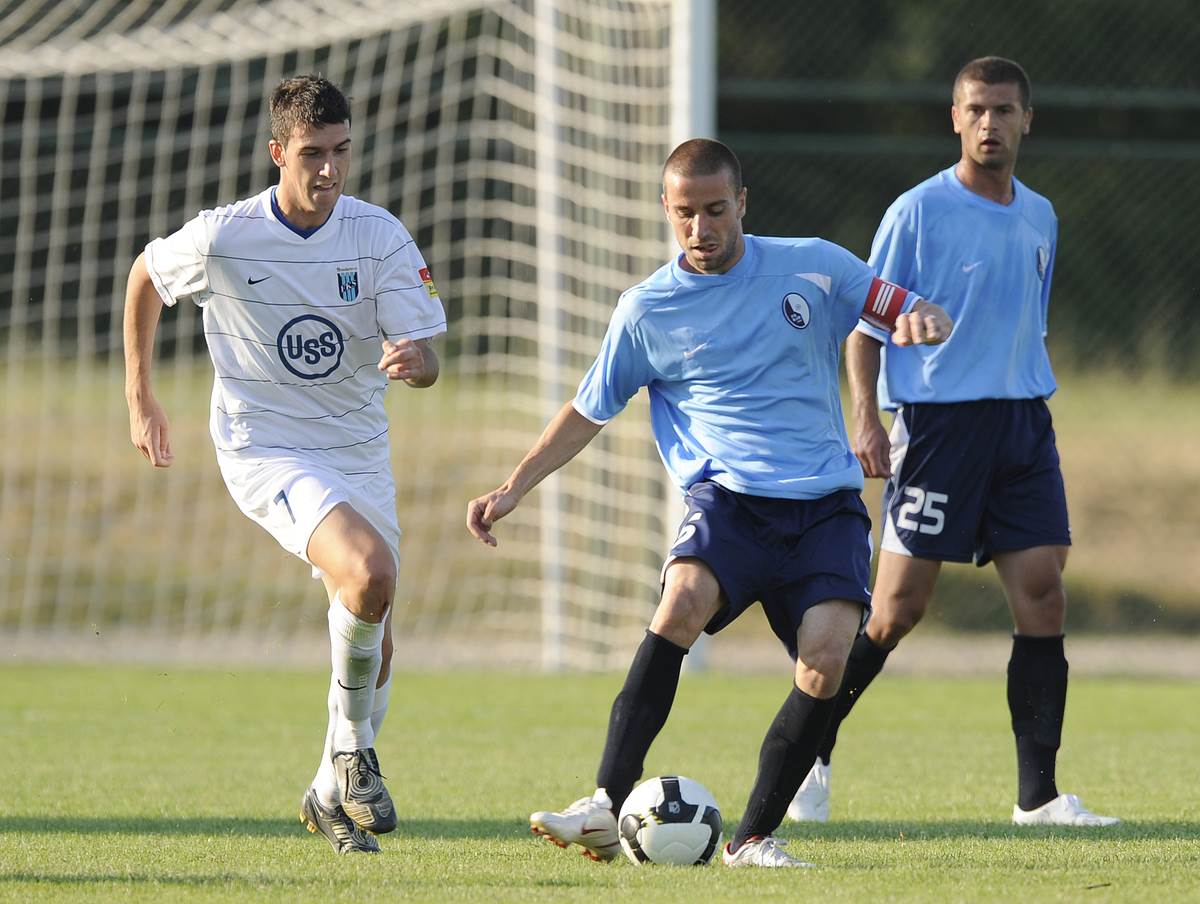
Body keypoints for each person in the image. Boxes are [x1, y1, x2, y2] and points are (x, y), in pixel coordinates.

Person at [466, 139, 952, 867]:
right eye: (686, 213)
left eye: (716, 211)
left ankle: (753, 838)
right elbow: (587, 411)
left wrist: (925, 319)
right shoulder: (647, 311)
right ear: (666, 209)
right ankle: (603, 802)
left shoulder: (812, 263)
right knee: (682, 600)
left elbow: (896, 303)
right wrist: (514, 486)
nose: (702, 229)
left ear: (743, 204)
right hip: (728, 503)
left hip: (825, 508)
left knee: (826, 661)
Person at [786, 57, 1119, 828]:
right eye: (976, 110)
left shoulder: (1041, 214)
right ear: (955, 118)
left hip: (1024, 423)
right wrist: (866, 418)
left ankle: (1037, 799)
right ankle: (809, 757)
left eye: (1004, 111)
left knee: (1043, 593)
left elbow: (1023, 323)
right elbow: (867, 328)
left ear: (1027, 119)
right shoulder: (918, 212)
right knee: (896, 610)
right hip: (939, 429)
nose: (990, 124)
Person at [123, 75, 446, 854]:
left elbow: (429, 357)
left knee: (377, 625)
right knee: (368, 574)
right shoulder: (225, 236)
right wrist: (140, 395)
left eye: (341, 152)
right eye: (312, 154)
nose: (329, 170)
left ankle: (329, 792)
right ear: (278, 153)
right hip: (263, 445)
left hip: (358, 451)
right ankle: (352, 753)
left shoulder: (380, 238)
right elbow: (145, 276)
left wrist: (415, 360)